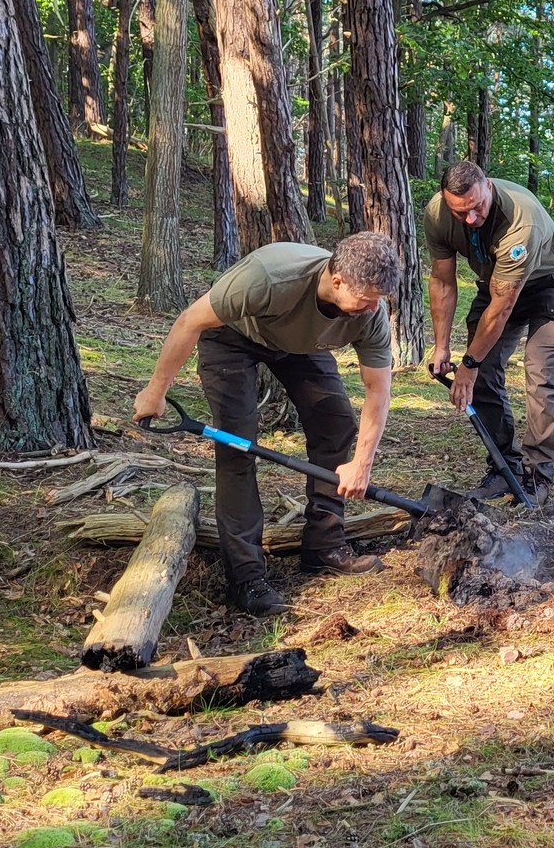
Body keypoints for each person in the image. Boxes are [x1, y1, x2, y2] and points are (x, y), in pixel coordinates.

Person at [132, 231, 399, 614]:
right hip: (232, 336)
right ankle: (246, 577)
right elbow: (190, 321)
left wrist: (362, 464)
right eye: (366, 300)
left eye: (379, 301)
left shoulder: (369, 313)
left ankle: (324, 545)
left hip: (298, 345)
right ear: (337, 281)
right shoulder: (270, 278)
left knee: (336, 424)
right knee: (237, 445)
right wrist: (155, 392)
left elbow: (377, 391)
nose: (373, 309)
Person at [423, 160, 554, 507]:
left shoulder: (519, 222)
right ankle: (503, 467)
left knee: (540, 372)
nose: (470, 219)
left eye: (477, 208)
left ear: (488, 188)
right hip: (495, 283)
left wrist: (469, 363)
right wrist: (442, 348)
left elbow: (503, 307)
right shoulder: (437, 214)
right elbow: (443, 282)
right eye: (459, 211)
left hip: (549, 285)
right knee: (484, 372)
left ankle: (537, 475)